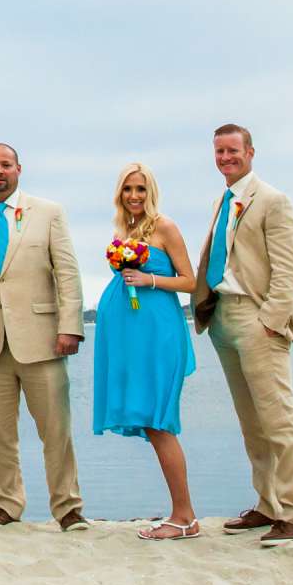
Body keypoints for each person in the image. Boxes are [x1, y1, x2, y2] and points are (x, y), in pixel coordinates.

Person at [0, 142, 87, 530]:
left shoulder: (49, 213)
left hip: (43, 339)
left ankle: (68, 507)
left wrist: (70, 326)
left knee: (55, 431)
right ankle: (5, 504)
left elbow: (67, 274)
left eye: (6, 165)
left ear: (19, 169)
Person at [191, 123, 293, 544]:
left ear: (251, 152)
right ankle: (268, 505)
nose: (225, 158)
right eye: (219, 152)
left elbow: (289, 270)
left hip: (257, 319)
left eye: (232, 151)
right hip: (222, 318)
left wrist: (269, 321)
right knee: (252, 423)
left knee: (280, 420)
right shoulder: (223, 200)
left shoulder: (273, 201)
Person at [93, 162, 201, 540]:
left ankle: (184, 516)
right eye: (127, 190)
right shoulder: (125, 231)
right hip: (132, 340)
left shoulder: (165, 227)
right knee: (153, 424)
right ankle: (182, 513)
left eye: (140, 189)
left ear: (150, 191)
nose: (134, 196)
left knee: (160, 422)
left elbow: (191, 281)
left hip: (159, 334)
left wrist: (149, 279)